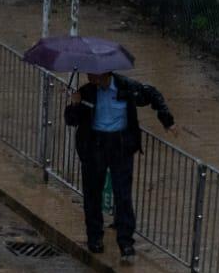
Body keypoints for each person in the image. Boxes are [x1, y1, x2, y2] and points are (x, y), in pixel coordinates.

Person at [64, 71, 174, 259]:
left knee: (123, 195)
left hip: (120, 147)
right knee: (92, 194)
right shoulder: (87, 92)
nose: (90, 77)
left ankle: (125, 243)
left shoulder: (127, 87)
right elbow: (71, 120)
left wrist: (167, 121)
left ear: (106, 73)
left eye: (94, 74)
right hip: (94, 146)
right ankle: (95, 238)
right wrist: (74, 104)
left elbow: (152, 94)